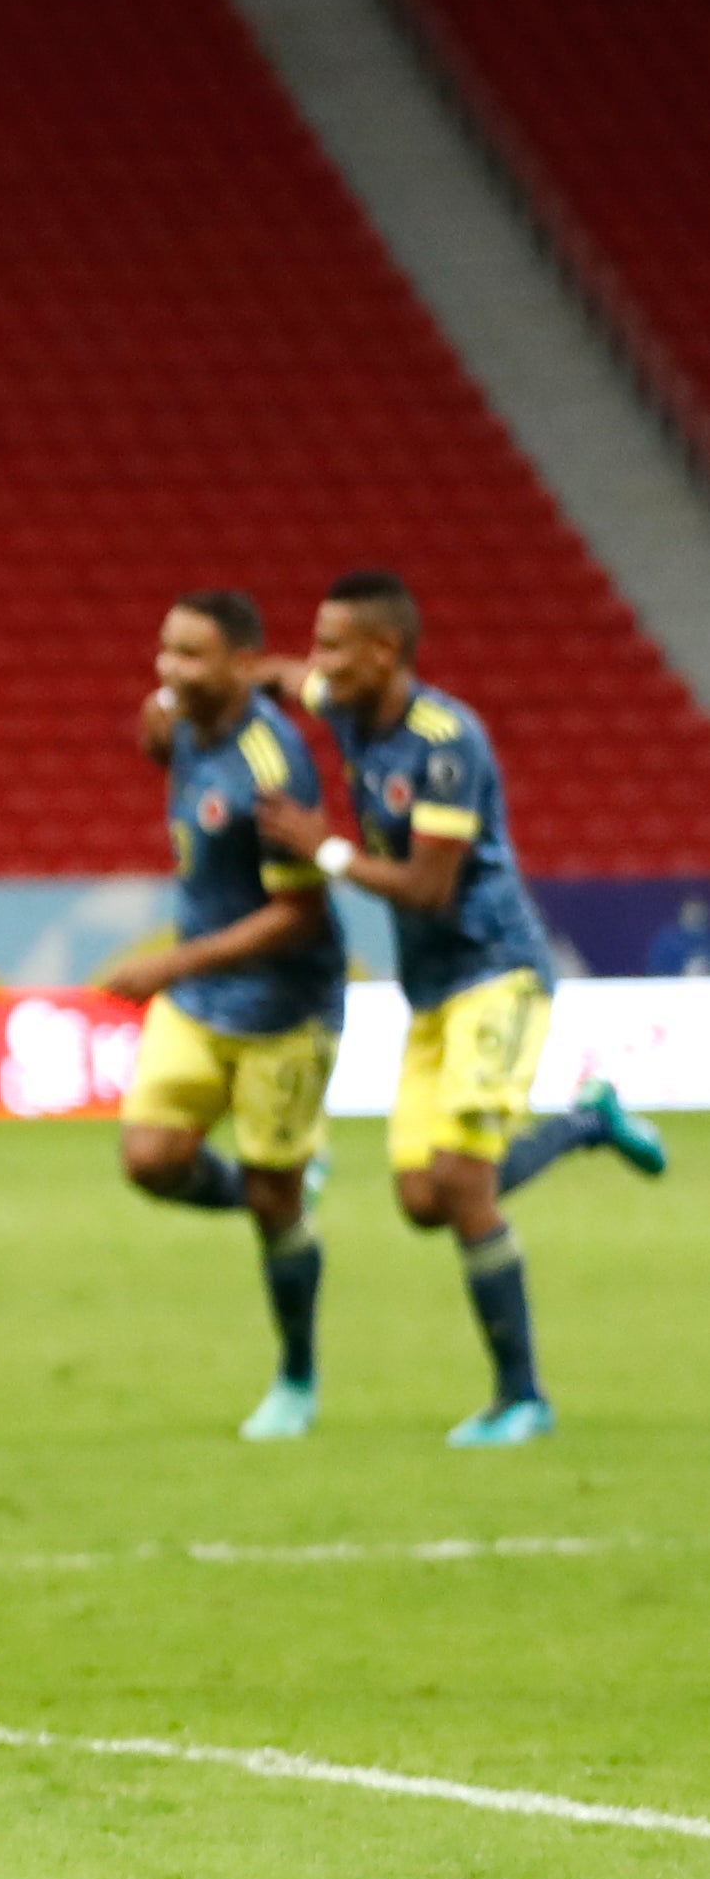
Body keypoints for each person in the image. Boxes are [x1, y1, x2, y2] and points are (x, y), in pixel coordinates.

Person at [254, 570, 667, 1447]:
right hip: (433, 989)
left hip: (496, 971)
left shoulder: (447, 744)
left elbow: (428, 888)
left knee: (462, 1183)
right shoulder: (347, 703)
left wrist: (323, 849)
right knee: (422, 1197)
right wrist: (238, 678)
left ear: (384, 652)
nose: (319, 662)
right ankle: (587, 1123)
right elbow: (290, 679)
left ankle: (522, 1399)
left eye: (334, 646)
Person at [99, 592, 345, 1440]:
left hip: (284, 1009)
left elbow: (300, 916)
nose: (168, 669)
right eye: (165, 650)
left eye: (190, 656)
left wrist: (167, 964)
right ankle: (283, 1189)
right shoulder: (183, 721)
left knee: (277, 1210)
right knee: (150, 1159)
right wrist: (157, 724)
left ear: (241, 665)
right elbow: (160, 740)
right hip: (202, 1002)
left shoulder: (273, 769)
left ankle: (297, 1378)